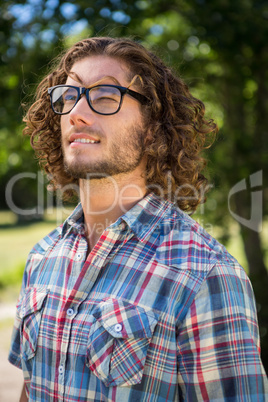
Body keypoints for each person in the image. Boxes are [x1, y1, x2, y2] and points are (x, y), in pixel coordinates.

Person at [9, 36, 267, 402]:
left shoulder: (206, 276)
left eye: (104, 96)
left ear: (152, 127)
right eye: (69, 96)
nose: (76, 113)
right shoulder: (42, 258)